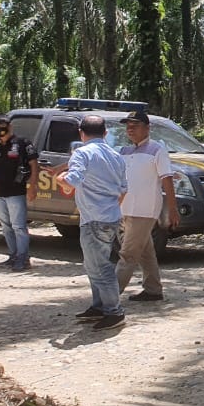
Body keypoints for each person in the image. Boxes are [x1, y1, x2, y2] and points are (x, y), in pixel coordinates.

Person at [52, 115, 128, 330]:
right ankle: (100, 306)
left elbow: (71, 181)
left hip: (94, 218)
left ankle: (114, 312)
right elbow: (123, 190)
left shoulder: (82, 153)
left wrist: (60, 178)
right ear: (105, 133)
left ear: (81, 133)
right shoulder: (116, 156)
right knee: (95, 264)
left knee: (100, 267)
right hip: (111, 217)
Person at [116, 110, 179, 303]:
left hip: (144, 210)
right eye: (128, 126)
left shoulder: (157, 150)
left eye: (135, 126)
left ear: (147, 128)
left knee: (128, 254)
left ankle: (107, 297)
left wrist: (172, 209)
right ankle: (153, 289)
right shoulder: (124, 151)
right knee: (145, 250)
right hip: (126, 209)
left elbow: (166, 179)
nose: (130, 129)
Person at [0, 113, 40, 272]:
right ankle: (13, 255)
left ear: (9, 126)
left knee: (18, 226)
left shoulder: (22, 143)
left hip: (16, 192)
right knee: (5, 226)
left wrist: (33, 186)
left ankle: (23, 258)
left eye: (0, 127)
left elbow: (34, 165)